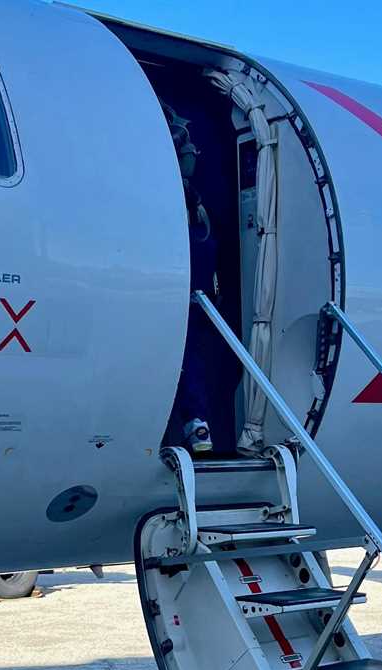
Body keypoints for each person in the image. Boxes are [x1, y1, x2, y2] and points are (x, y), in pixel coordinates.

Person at [164, 102, 219, 455]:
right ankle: (196, 424)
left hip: (183, 294)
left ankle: (192, 424)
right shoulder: (193, 207)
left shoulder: (181, 202)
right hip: (192, 292)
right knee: (188, 355)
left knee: (182, 354)